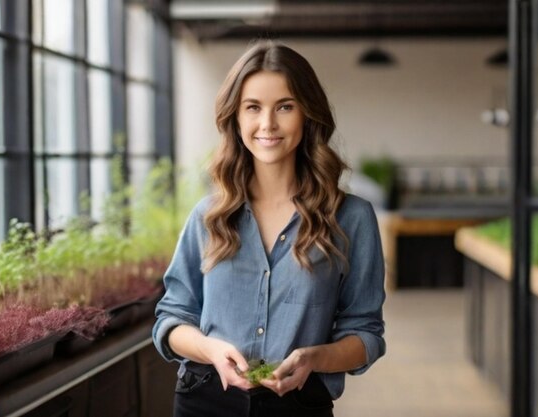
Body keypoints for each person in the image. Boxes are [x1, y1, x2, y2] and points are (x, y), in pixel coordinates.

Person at [152, 41, 386, 417]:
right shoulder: (209, 216)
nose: (268, 124)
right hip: (206, 400)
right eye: (253, 107)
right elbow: (172, 319)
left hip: (298, 405)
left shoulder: (352, 218)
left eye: (285, 107)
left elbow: (366, 333)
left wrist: (315, 358)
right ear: (237, 118)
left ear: (308, 115)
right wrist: (211, 350)